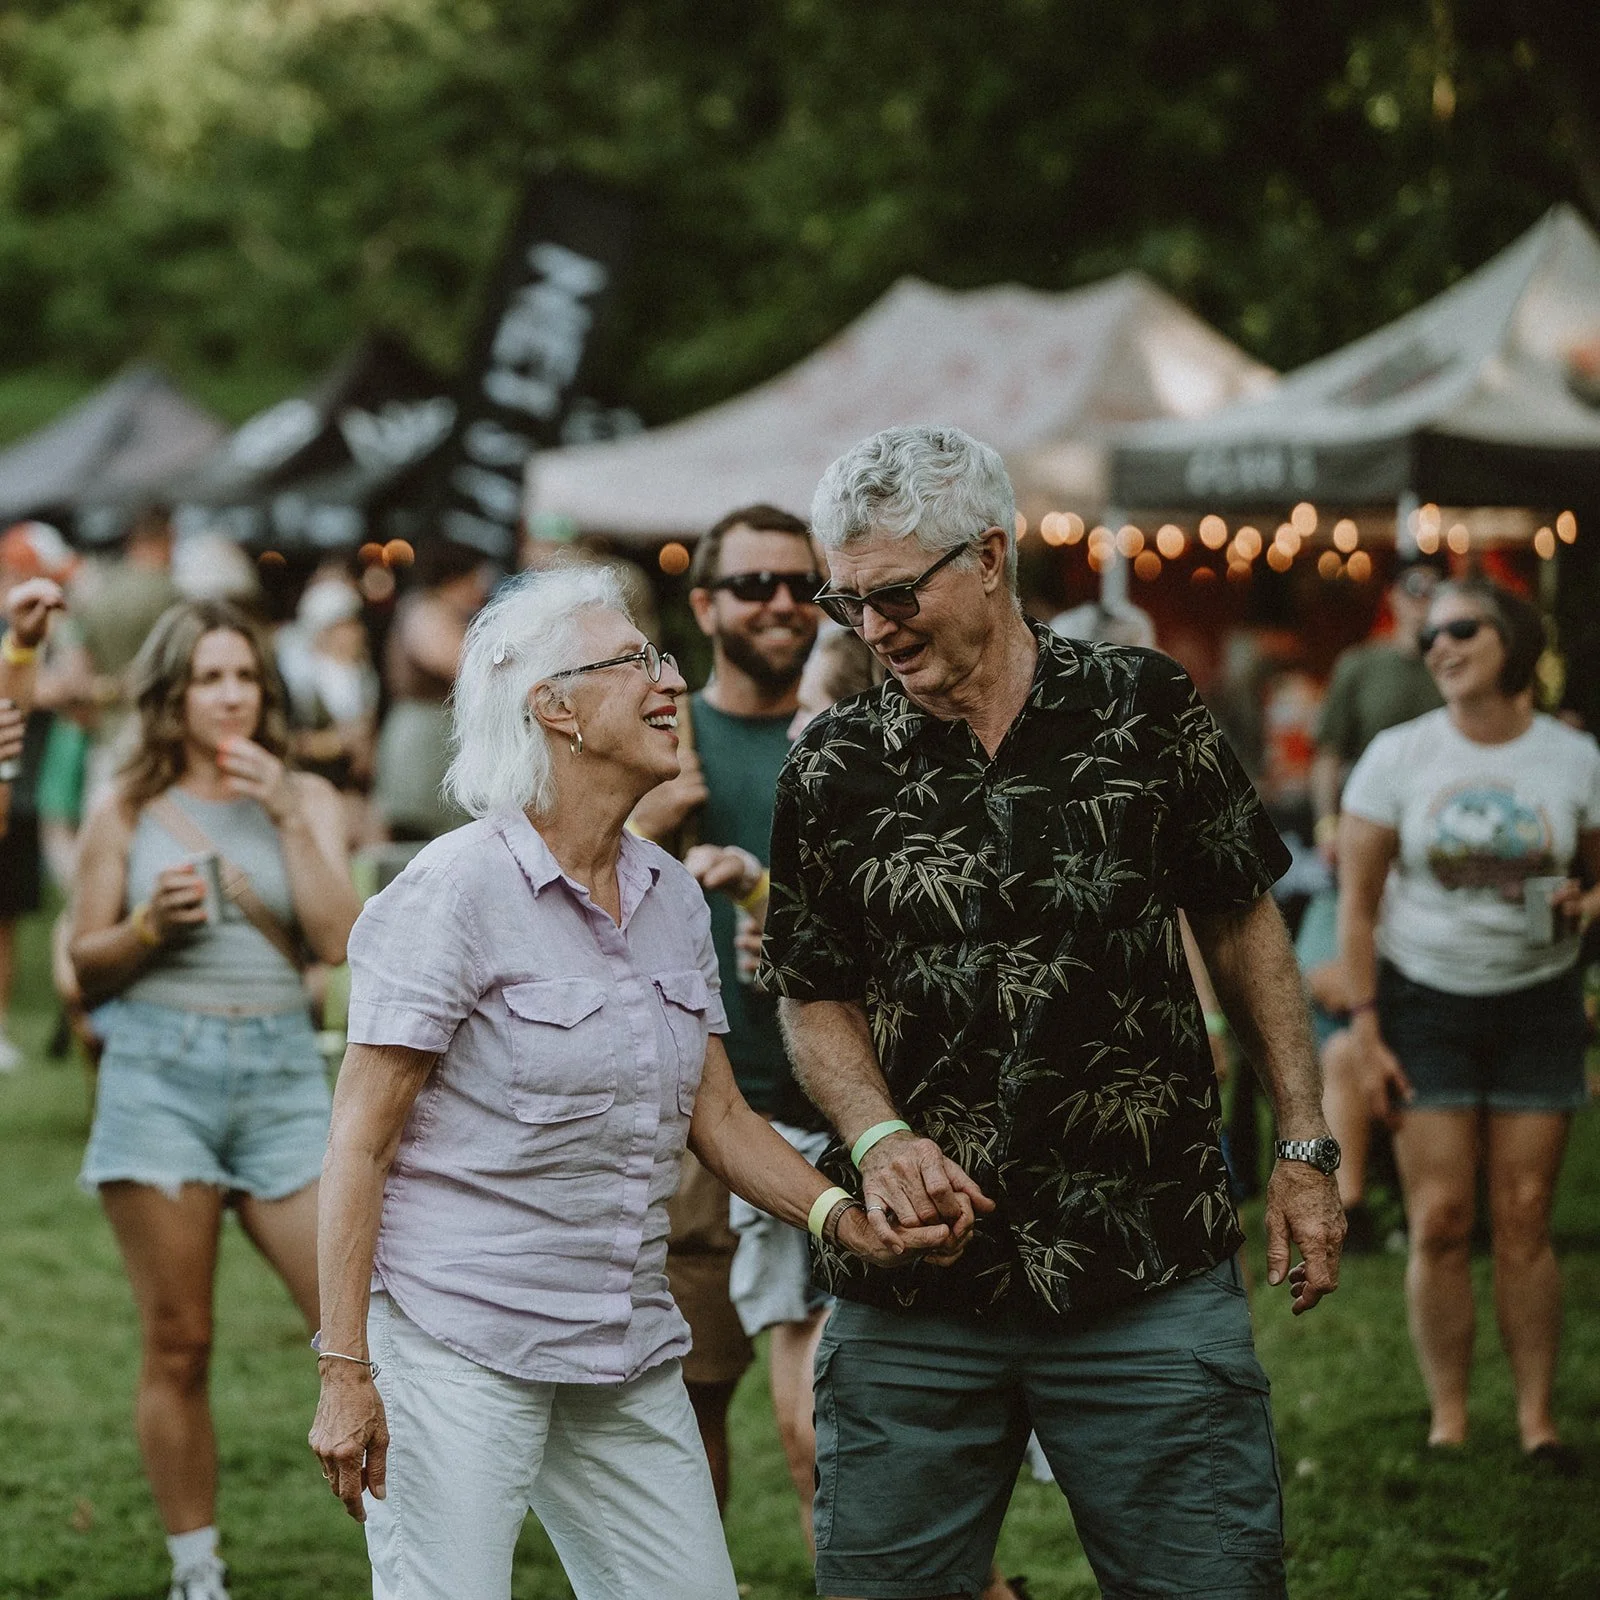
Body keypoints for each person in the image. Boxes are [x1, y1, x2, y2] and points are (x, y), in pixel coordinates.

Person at [762, 423, 1345, 1600]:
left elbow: (1241, 920)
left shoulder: (1141, 705)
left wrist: (1300, 1145)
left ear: (987, 556)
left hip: (1145, 1261)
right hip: (917, 1289)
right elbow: (810, 989)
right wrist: (877, 1135)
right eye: (847, 601)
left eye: (892, 595)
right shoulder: (829, 766)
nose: (869, 628)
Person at [307, 565, 966, 1600]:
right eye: (635, 662)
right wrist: (345, 1367)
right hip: (456, 1340)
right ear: (553, 709)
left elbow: (717, 1114)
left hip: (621, 1339)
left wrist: (840, 1216)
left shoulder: (666, 895)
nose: (671, 683)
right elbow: (360, 1142)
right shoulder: (452, 889)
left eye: (662, 658)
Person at [69, 599, 360, 1600]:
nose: (231, 695)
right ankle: (199, 1571)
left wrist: (283, 814)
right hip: (161, 1077)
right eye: (209, 678)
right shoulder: (125, 806)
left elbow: (337, 942)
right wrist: (148, 926)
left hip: (282, 1077)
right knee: (181, 1339)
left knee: (355, 1332)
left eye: (246, 677)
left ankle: (411, 1552)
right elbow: (82, 967)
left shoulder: (309, 797)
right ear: (172, 695)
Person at [1337, 576, 1599, 1472]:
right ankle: (1450, 1419)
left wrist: (1585, 902)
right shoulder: (1399, 755)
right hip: (1426, 1002)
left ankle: (1537, 1423)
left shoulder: (1574, 759)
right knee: (1442, 1216)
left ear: (1512, 639)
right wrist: (1367, 1029)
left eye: (1460, 629)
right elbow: (1359, 908)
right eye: (1429, 637)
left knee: (1525, 1214)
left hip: (1539, 1001)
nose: (1438, 646)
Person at [628, 503, 832, 1526]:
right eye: (756, 585)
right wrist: (643, 823)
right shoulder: (665, 742)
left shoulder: (848, 731)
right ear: (704, 606)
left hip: (846, 1108)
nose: (784, 603)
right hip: (698, 1117)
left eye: (802, 583)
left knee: (837, 1417)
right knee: (687, 1404)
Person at [1306, 556, 1445, 1248]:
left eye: (1438, 590)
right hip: (1361, 847)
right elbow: (1328, 751)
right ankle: (1358, 1207)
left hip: (1425, 864)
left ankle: (1394, 1206)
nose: (1428, 605)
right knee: (1340, 1039)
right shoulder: (1364, 665)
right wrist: (1329, 824)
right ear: (1396, 594)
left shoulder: (1453, 673)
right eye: (1417, 588)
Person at [372, 540, 488, 841]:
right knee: (421, 832)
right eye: (476, 579)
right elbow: (462, 667)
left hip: (433, 734)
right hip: (423, 738)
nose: (481, 589)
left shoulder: (435, 610)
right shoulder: (428, 611)